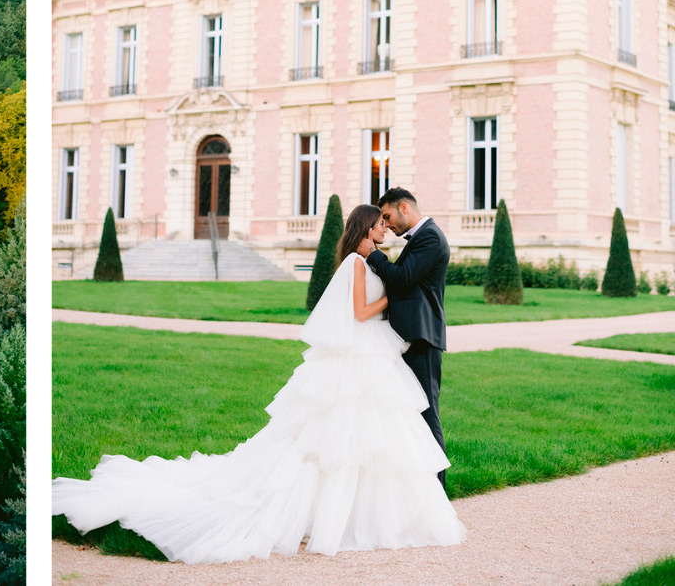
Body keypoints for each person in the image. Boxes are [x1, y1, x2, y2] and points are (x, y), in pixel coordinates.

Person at [51, 203, 465, 563]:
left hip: (372, 351)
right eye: (378, 225)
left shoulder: (368, 258)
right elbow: (360, 311)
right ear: (364, 228)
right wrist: (390, 301)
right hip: (362, 349)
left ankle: (365, 508)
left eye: (385, 223)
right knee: (344, 432)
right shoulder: (358, 262)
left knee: (371, 432)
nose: (384, 229)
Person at [365, 186, 450, 487]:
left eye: (387, 216)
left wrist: (373, 255)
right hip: (409, 335)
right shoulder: (421, 237)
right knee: (411, 412)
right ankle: (416, 486)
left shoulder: (429, 236)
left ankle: (437, 489)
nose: (386, 224)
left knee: (426, 411)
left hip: (422, 337)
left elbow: (402, 279)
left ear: (404, 207)